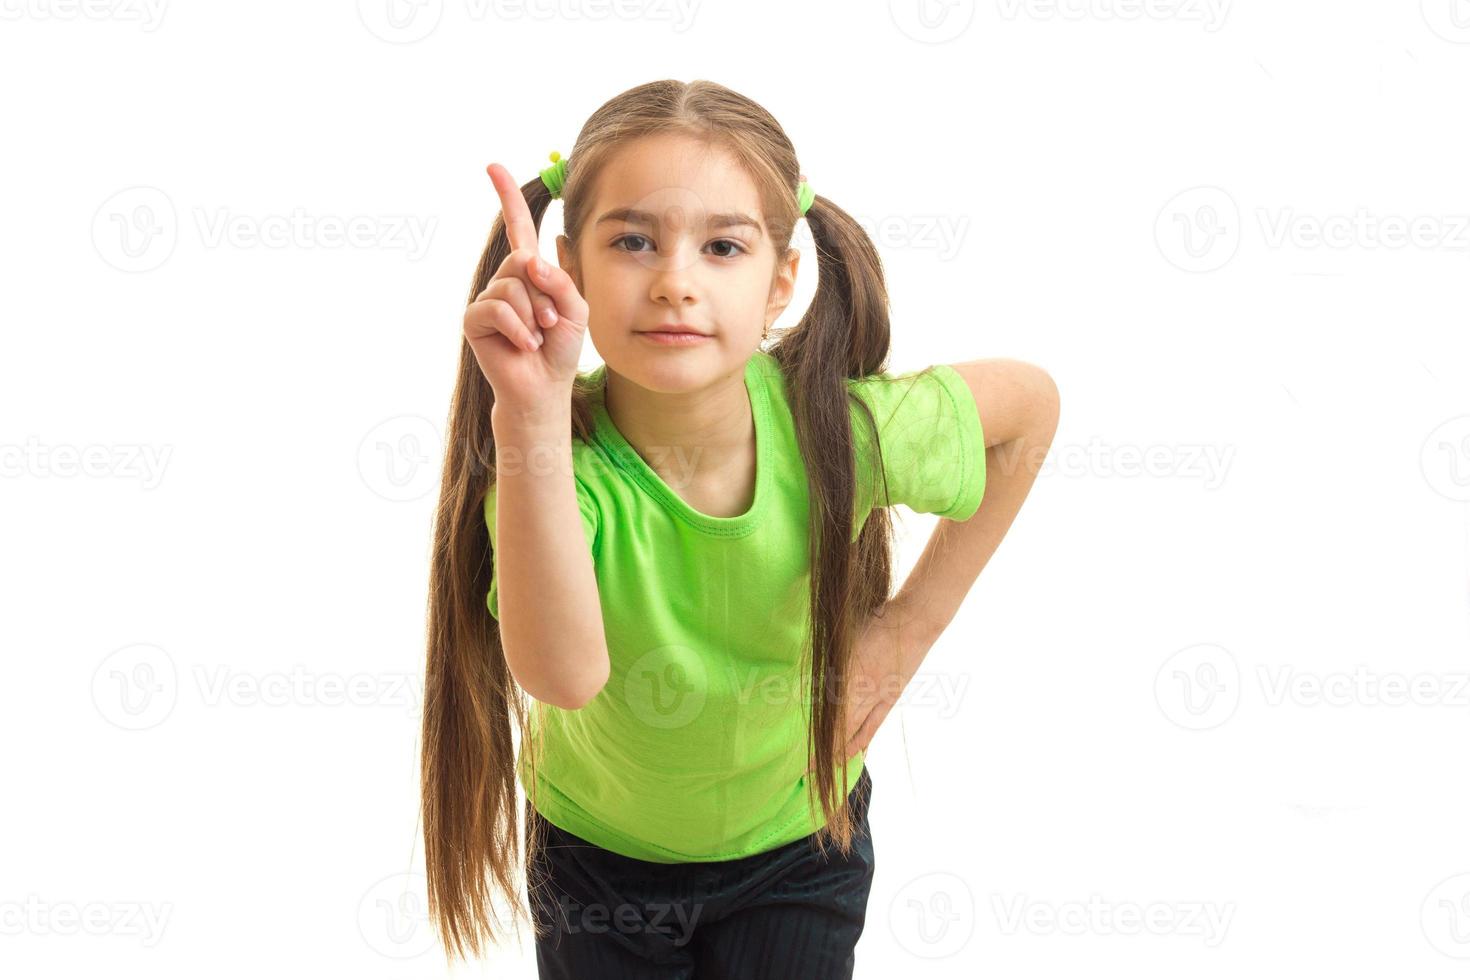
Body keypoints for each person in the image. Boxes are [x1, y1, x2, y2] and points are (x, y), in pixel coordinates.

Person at [420, 78, 1060, 978]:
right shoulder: (554, 465)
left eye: (723, 246)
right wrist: (528, 414)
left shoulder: (837, 434)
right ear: (567, 264)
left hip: (799, 852)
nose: (676, 282)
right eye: (633, 241)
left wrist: (907, 630)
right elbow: (563, 678)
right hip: (599, 866)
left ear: (781, 282)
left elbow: (1029, 412)